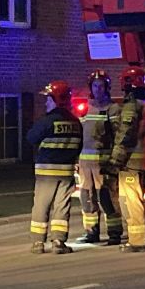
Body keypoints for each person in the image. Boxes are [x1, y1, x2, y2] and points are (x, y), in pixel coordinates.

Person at [26, 80, 83, 254]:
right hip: (66, 173)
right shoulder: (76, 122)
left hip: (46, 173)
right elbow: (79, 146)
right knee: (62, 206)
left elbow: (31, 138)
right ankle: (58, 241)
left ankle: (38, 242)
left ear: (56, 100)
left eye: (48, 99)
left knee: (41, 206)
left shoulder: (47, 122)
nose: (46, 103)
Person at [109, 66, 145, 252]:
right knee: (137, 198)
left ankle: (138, 240)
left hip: (131, 162)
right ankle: (138, 238)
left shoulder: (132, 105)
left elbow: (125, 133)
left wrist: (115, 159)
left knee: (131, 201)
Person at [77, 69, 124, 245]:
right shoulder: (84, 110)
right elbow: (78, 135)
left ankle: (114, 233)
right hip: (84, 163)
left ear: (107, 88)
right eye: (95, 86)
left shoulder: (112, 109)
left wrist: (115, 161)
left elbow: (118, 136)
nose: (98, 89)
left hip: (103, 163)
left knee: (107, 197)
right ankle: (91, 232)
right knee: (86, 197)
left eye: (101, 86)